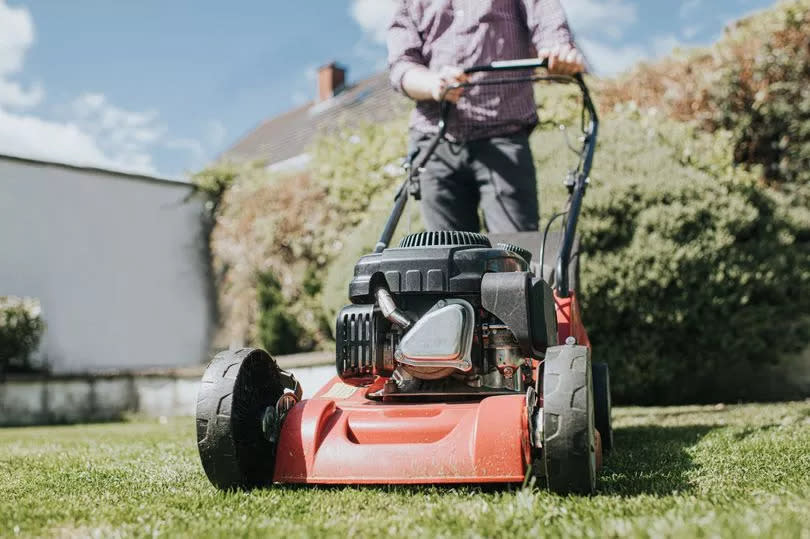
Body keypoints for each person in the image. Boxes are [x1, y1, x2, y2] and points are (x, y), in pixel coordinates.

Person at [387, 0, 585, 233]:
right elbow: (402, 65)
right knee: (446, 257)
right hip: (434, 141)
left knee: (513, 253)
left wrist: (557, 49)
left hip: (504, 135)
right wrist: (433, 84)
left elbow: (547, 21)